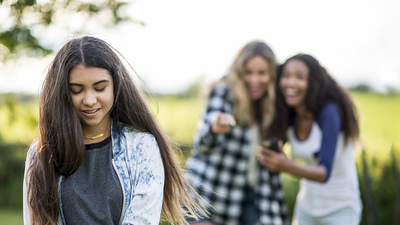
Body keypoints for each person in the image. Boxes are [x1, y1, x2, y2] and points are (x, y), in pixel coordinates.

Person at [23, 36, 206, 225]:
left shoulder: (141, 146)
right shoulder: (42, 154)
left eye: (100, 88)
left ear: (115, 86)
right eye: (76, 90)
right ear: (61, 93)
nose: (89, 100)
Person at [185, 40, 288, 225]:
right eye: (248, 72)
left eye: (262, 73)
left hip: (251, 197)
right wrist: (214, 129)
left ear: (271, 74)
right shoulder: (224, 92)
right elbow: (203, 146)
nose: (254, 80)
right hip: (208, 194)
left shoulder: (273, 104)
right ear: (239, 72)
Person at [258, 54, 362, 224]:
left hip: (341, 209)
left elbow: (324, 173)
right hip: (307, 208)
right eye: (285, 76)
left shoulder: (329, 113)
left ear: (313, 83)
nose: (290, 83)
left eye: (299, 77)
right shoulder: (289, 114)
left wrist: (287, 166)